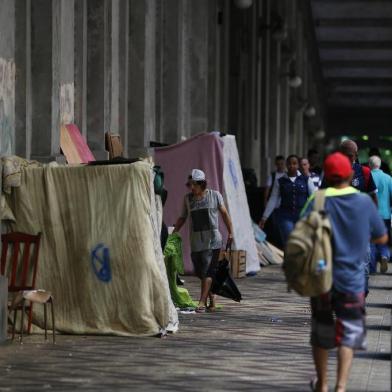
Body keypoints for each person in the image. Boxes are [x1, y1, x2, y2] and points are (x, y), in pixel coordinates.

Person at [303, 152, 387, 392]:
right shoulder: (363, 202)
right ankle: (340, 387)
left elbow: (303, 234)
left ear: (326, 176)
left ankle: (323, 385)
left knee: (321, 332)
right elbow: (381, 236)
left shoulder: (318, 200)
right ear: (351, 175)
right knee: (347, 333)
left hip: (322, 279)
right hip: (352, 280)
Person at [173, 169, 233, 313]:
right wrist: (174, 232)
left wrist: (230, 232)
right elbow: (183, 217)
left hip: (213, 242)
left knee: (207, 271)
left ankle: (201, 302)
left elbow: (224, 214)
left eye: (194, 184)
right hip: (196, 242)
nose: (192, 188)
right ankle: (212, 297)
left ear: (202, 184)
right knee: (200, 272)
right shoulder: (188, 199)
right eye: (190, 185)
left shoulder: (214, 196)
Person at [259, 155, 316, 246]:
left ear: (298, 165)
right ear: (286, 165)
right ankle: (289, 259)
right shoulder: (280, 181)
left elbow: (314, 197)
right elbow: (273, 199)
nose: (292, 166)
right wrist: (264, 217)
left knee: (301, 242)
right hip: (285, 216)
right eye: (289, 164)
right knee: (289, 240)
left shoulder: (306, 179)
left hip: (302, 216)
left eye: (294, 163)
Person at [368, 155, 392, 273]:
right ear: (380, 165)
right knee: (384, 238)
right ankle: (384, 255)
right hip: (385, 214)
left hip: (370, 214)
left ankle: (372, 268)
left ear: (369, 165)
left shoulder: (367, 177)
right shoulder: (388, 178)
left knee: (371, 241)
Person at [263, 155, 286, 248]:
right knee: (274, 226)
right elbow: (267, 189)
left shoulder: (287, 175)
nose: (280, 166)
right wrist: (265, 201)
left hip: (283, 206)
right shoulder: (272, 176)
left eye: (282, 164)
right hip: (273, 206)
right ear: (276, 165)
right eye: (278, 164)